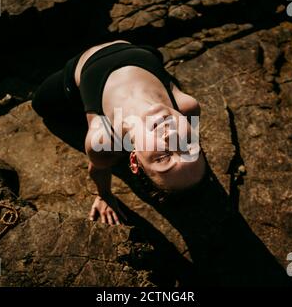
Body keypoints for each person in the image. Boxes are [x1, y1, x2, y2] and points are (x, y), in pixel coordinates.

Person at [32, 40, 206, 225]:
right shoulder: (188, 108)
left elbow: (98, 168)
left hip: (84, 66)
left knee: (39, 104)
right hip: (140, 49)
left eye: (163, 157)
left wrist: (104, 195)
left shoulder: (102, 137)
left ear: (133, 159)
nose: (172, 138)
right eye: (188, 146)